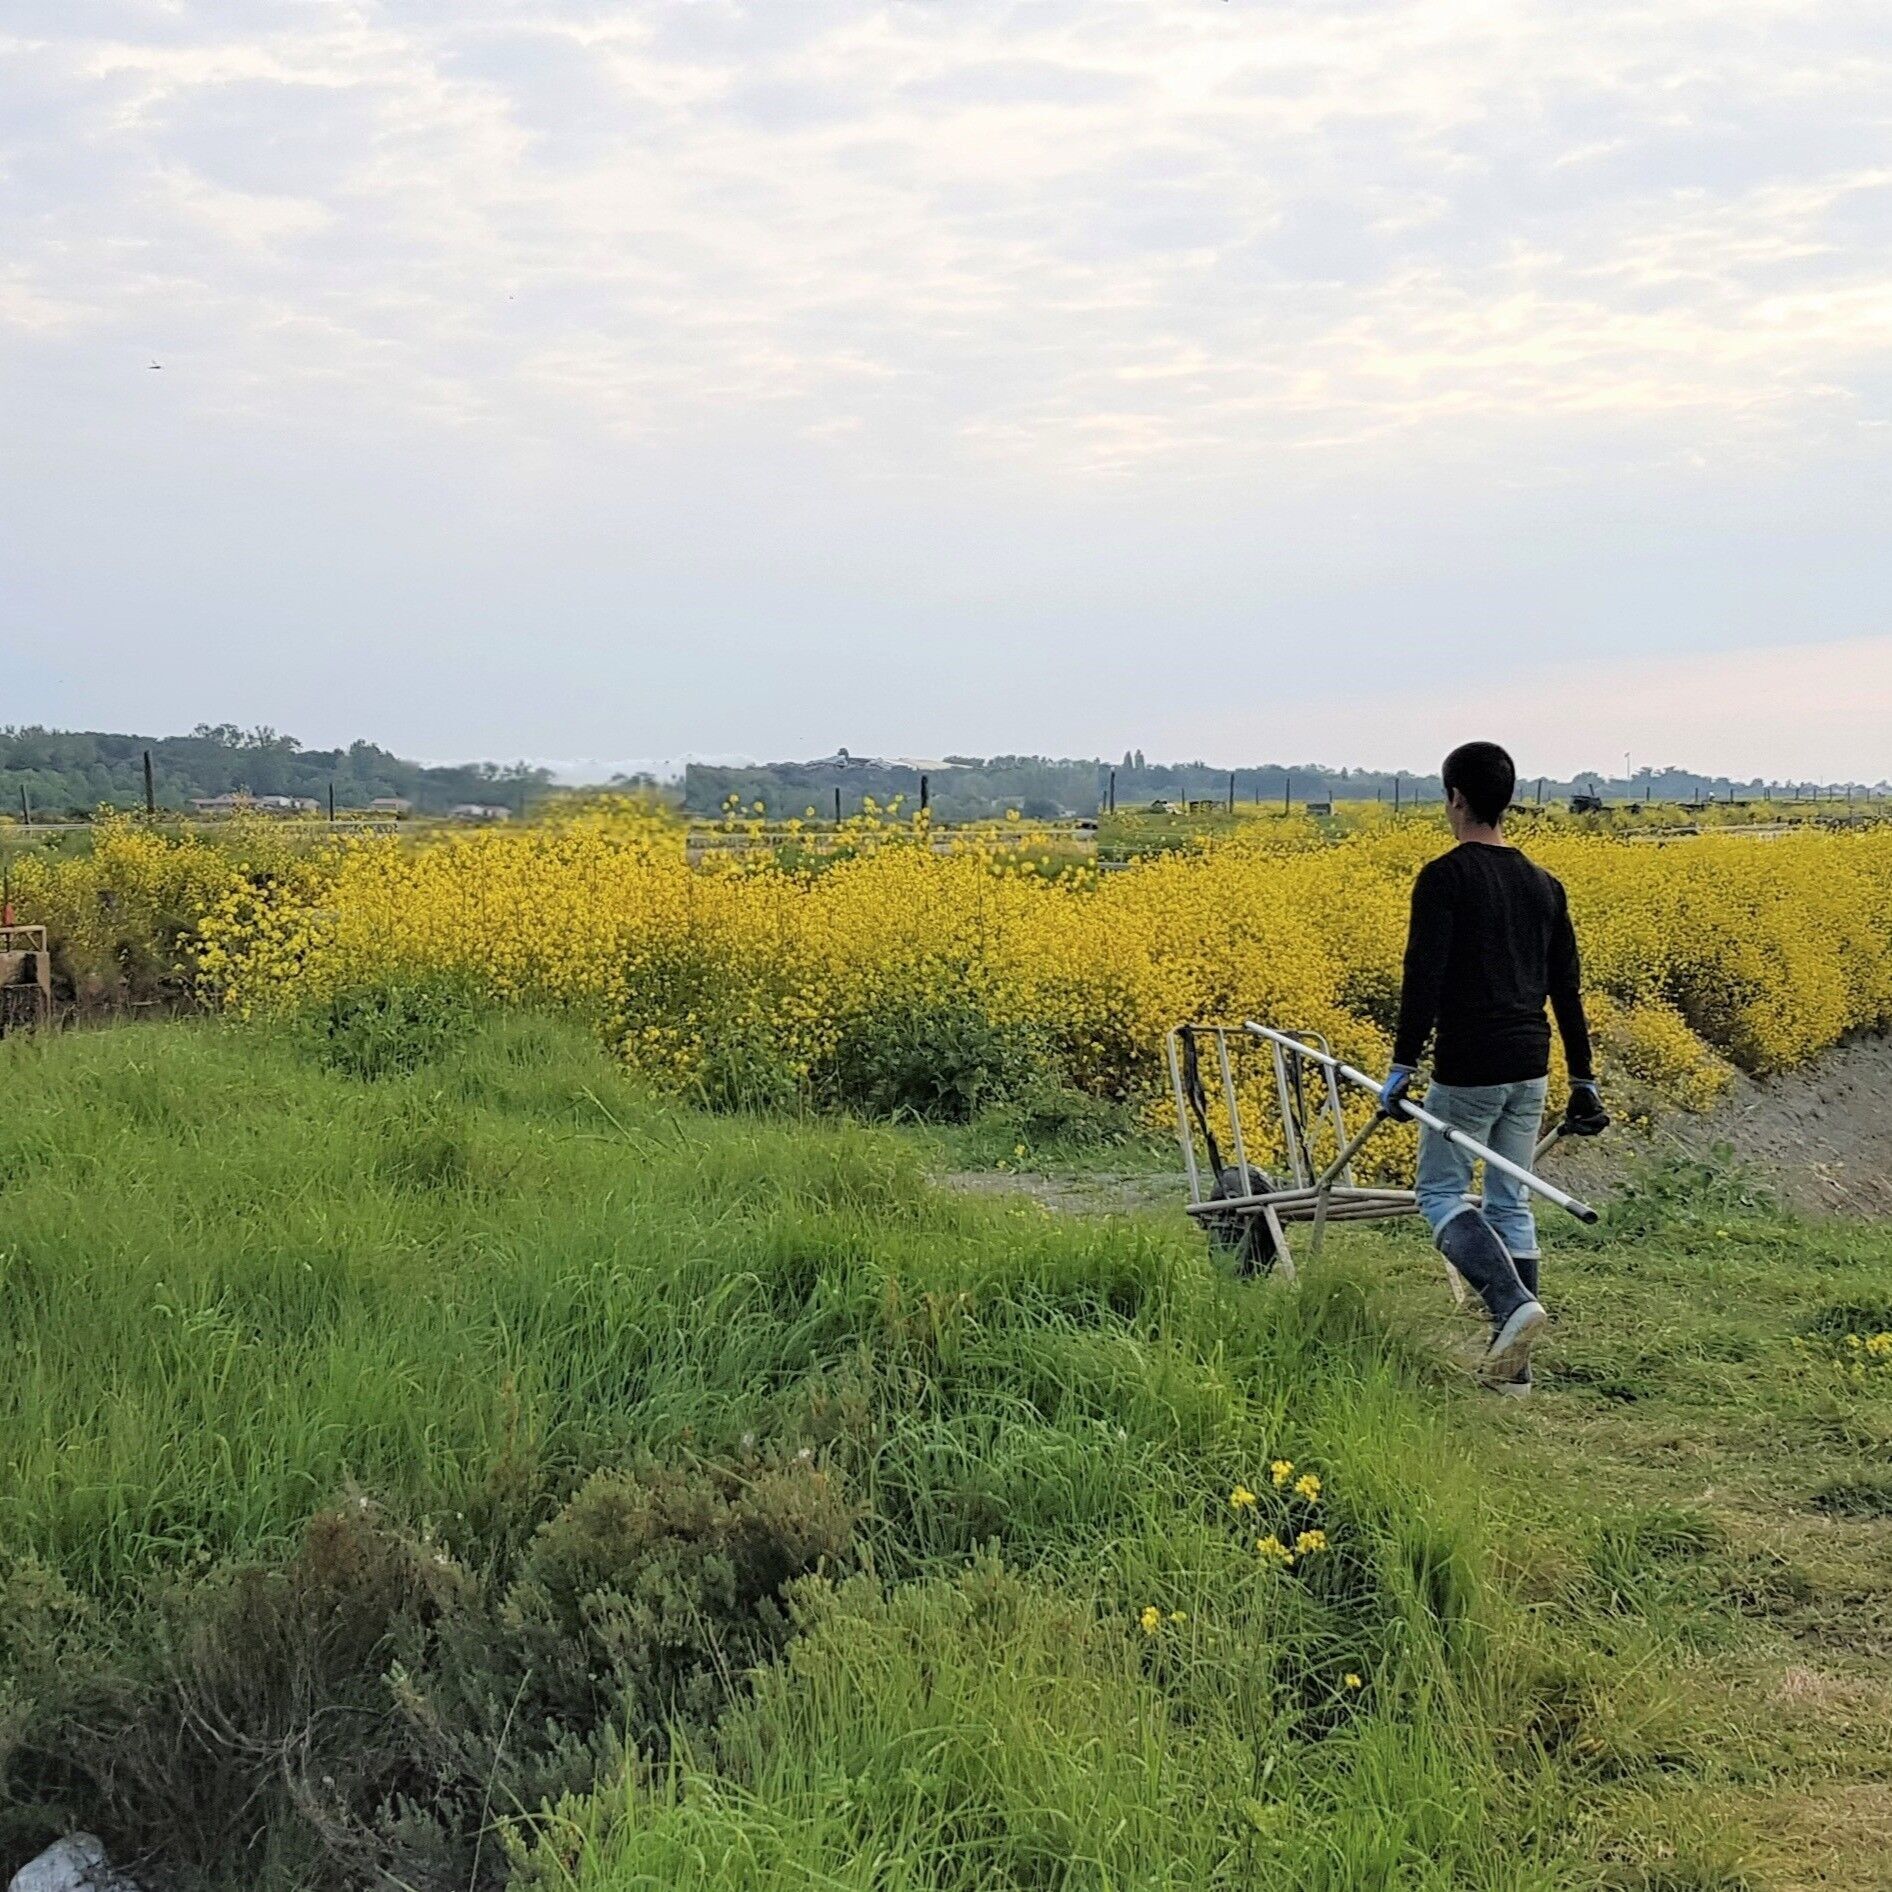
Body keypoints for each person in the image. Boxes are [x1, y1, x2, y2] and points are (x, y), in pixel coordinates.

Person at [1379, 742, 1608, 1393]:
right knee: (1511, 1202)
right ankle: (1514, 1373)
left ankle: (1510, 1305)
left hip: (1470, 1067)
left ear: (1455, 797)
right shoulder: (1544, 885)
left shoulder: (1445, 878)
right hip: (1530, 1065)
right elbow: (1567, 990)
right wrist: (1583, 1080)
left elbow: (1423, 978)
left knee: (1440, 1194)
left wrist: (1401, 1065)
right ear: (1506, 800)